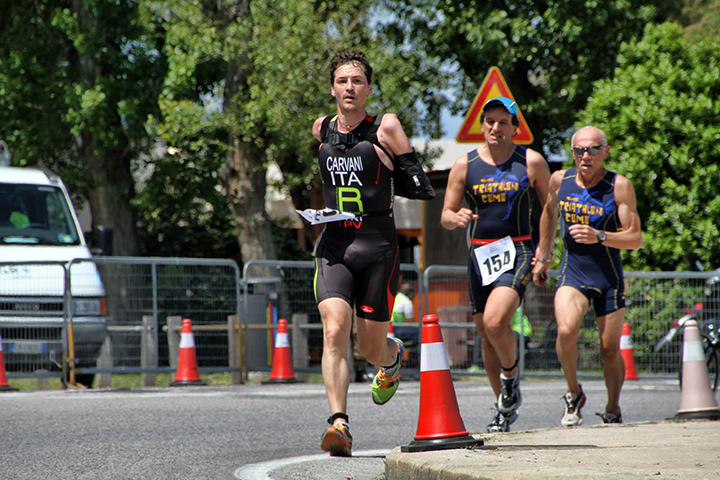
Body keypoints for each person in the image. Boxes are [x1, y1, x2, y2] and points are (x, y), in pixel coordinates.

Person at [311, 50, 426, 457]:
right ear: (332, 89)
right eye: (342, 81)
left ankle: (392, 358)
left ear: (368, 89)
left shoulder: (384, 128)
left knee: (369, 349)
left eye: (357, 81)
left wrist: (401, 162)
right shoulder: (321, 129)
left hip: (378, 247)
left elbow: (418, 185)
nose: (349, 87)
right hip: (335, 245)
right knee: (333, 328)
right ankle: (339, 424)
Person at [441, 97, 553, 433]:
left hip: (517, 251)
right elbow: (446, 213)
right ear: (482, 126)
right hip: (478, 255)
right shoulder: (465, 165)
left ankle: (510, 374)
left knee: (494, 321)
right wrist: (454, 217)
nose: (495, 127)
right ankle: (504, 405)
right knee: (486, 336)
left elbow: (551, 207)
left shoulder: (531, 162)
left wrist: (544, 254)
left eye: (503, 122)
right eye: (489, 121)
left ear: (514, 127)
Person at [541, 126, 642, 427]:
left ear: (605, 152)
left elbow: (635, 238)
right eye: (579, 150)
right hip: (573, 272)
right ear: (571, 152)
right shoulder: (560, 180)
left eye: (593, 149)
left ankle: (612, 407)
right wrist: (542, 256)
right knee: (566, 329)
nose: (586, 156)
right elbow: (548, 213)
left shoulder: (618, 186)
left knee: (609, 351)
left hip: (608, 277)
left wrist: (599, 235)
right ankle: (574, 392)